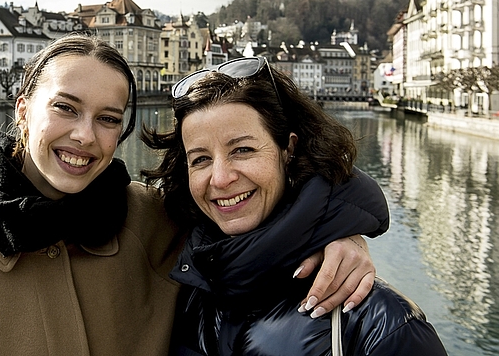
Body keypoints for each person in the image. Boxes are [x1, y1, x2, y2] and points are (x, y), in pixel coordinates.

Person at [0, 35, 383, 356]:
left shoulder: (149, 216)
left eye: (108, 119)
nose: (84, 136)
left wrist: (339, 233)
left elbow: (260, 206)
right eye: (65, 108)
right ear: (22, 110)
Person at [141, 56, 447, 355]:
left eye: (243, 150)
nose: (220, 179)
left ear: (289, 149)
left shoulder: (381, 323)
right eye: (201, 159)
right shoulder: (186, 281)